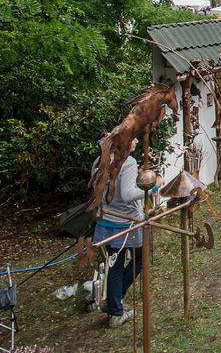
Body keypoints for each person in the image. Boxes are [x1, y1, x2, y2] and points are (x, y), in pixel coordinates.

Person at [89, 138, 164, 327]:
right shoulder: (127, 162)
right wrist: (155, 186)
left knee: (115, 264)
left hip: (106, 220)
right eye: (132, 137)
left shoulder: (100, 161)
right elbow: (128, 194)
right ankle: (115, 308)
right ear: (123, 142)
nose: (136, 141)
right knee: (140, 260)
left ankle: (114, 305)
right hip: (126, 223)